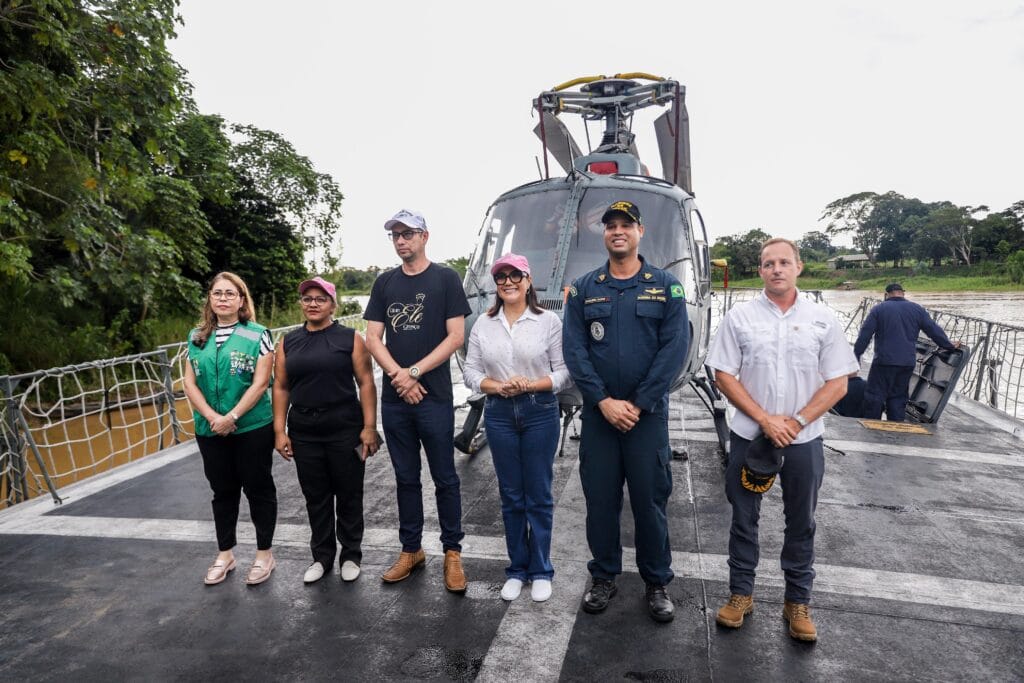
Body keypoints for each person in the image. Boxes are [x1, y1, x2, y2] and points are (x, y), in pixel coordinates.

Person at [706, 238, 858, 642]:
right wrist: (765, 420)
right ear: (760, 270)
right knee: (742, 516)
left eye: (784, 262)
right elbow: (724, 374)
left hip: (804, 438)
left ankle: (797, 602)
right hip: (749, 436)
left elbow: (839, 381)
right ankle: (741, 593)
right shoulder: (739, 318)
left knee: (802, 520)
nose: (776, 269)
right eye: (768, 263)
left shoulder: (823, 320)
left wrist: (797, 420)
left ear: (799, 267)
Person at [561, 200, 689, 623]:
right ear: (605, 234)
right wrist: (601, 400)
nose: (618, 231)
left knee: (651, 502)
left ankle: (656, 582)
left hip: (645, 417)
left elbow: (674, 350)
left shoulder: (667, 286)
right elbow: (575, 351)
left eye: (626, 225)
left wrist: (637, 403)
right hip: (600, 416)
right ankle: (603, 576)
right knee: (600, 500)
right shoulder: (583, 288)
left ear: (640, 232)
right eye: (610, 225)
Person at [364, 209, 473, 593]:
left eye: (407, 233)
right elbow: (373, 338)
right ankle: (411, 550)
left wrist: (413, 373)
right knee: (406, 478)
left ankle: (452, 552)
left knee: (445, 476)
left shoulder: (445, 279)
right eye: (395, 235)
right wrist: (399, 375)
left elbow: (455, 336)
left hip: (434, 396)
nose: (400, 241)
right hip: (396, 401)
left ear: (425, 236)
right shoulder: (384, 283)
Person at [462, 253, 572, 603]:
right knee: (511, 495)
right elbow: (470, 371)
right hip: (499, 412)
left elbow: (564, 372)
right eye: (500, 277)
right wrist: (496, 387)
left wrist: (531, 385)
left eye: (514, 276)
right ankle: (517, 568)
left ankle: (540, 569)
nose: (507, 282)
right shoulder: (484, 323)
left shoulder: (548, 321)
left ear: (528, 281)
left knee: (538, 492)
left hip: (538, 410)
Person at [273, 276, 380, 584]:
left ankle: (350, 555)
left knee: (348, 493)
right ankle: (321, 556)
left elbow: (366, 383)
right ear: (301, 304)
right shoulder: (288, 341)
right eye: (307, 299)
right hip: (304, 429)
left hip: (344, 426)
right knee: (315, 496)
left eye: (321, 299)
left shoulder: (349, 338)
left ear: (333, 304)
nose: (313, 304)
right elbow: (280, 387)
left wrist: (369, 427)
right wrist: (280, 431)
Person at [182, 271, 277, 586]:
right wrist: (212, 416)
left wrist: (232, 416)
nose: (222, 298)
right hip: (209, 429)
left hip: (251, 427)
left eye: (229, 293)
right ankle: (226, 554)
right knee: (222, 492)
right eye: (217, 293)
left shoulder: (258, 334)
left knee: (258, 489)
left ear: (241, 299)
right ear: (210, 299)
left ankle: (265, 554)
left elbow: (261, 382)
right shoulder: (196, 336)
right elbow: (190, 381)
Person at [853, 283, 959, 422]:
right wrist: (949, 345)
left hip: (884, 361)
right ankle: (896, 428)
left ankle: (871, 427)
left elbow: (865, 335)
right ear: (903, 293)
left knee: (875, 395)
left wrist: (856, 356)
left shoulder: (879, 309)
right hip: (907, 363)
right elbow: (933, 330)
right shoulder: (917, 309)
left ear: (886, 295)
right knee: (898, 397)